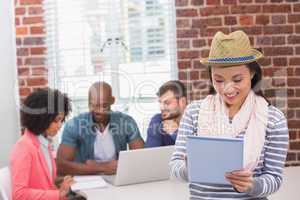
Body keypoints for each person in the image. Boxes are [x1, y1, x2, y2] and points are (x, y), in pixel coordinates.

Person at [170, 30, 289, 199]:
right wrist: (190, 169)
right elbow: (174, 167)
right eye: (219, 80)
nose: (228, 88)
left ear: (252, 74)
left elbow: (274, 177)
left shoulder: (274, 119)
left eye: (237, 79)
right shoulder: (194, 112)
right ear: (210, 76)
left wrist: (252, 185)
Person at [57, 81, 144, 175]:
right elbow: (61, 166)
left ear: (112, 100)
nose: (99, 111)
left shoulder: (126, 122)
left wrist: (98, 166)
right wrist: (102, 168)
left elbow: (141, 158)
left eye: (104, 105)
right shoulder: (74, 125)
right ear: (88, 103)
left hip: (116, 177)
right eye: (93, 105)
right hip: (86, 181)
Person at [10, 88, 74, 200]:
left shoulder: (43, 142)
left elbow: (42, 182)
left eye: (61, 120)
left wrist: (61, 183)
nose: (59, 126)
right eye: (56, 120)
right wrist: (57, 194)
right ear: (41, 118)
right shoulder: (24, 147)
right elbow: (18, 195)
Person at [145, 80, 187, 147]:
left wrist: (174, 132)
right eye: (160, 102)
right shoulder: (157, 120)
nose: (161, 108)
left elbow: (195, 152)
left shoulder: (195, 120)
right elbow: (149, 154)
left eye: (167, 103)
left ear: (182, 102)